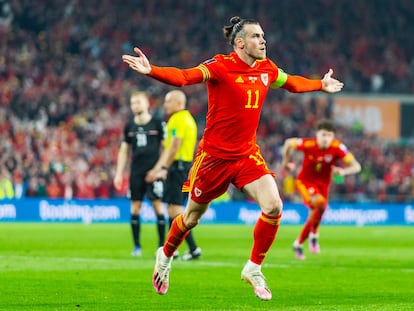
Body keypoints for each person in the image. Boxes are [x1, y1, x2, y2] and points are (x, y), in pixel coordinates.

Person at [122, 16, 344, 300]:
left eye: (263, 36)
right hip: (213, 158)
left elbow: (292, 84)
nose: (263, 40)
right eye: (256, 37)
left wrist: (319, 84)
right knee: (190, 217)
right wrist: (151, 70)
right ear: (240, 43)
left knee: (274, 206)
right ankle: (164, 256)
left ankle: (253, 267)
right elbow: (184, 76)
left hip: (247, 154)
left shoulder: (267, 68)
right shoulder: (219, 66)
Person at [282, 119, 361, 260]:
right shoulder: (308, 144)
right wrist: (286, 163)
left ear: (333, 137)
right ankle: (310, 237)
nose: (326, 139)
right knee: (319, 205)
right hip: (305, 182)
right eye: (323, 135)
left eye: (329, 135)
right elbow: (288, 143)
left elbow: (356, 166)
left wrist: (343, 172)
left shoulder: (337, 147)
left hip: (324, 185)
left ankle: (301, 242)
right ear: (317, 135)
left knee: (319, 210)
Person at [146, 90, 202, 261]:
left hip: (177, 168)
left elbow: (173, 147)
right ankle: (176, 249)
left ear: (178, 103)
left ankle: (192, 248)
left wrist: (162, 168)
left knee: (176, 209)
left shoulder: (177, 120)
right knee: (173, 208)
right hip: (184, 167)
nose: (165, 105)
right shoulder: (188, 119)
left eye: (168, 101)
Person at [114, 91, 166, 257]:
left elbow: (166, 148)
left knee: (158, 206)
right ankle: (137, 247)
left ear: (147, 104)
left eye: (138, 102)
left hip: (154, 171)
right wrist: (119, 173)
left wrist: (160, 169)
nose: (135, 106)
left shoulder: (157, 123)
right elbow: (124, 150)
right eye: (133, 103)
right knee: (135, 207)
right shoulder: (129, 126)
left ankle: (161, 246)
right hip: (136, 172)